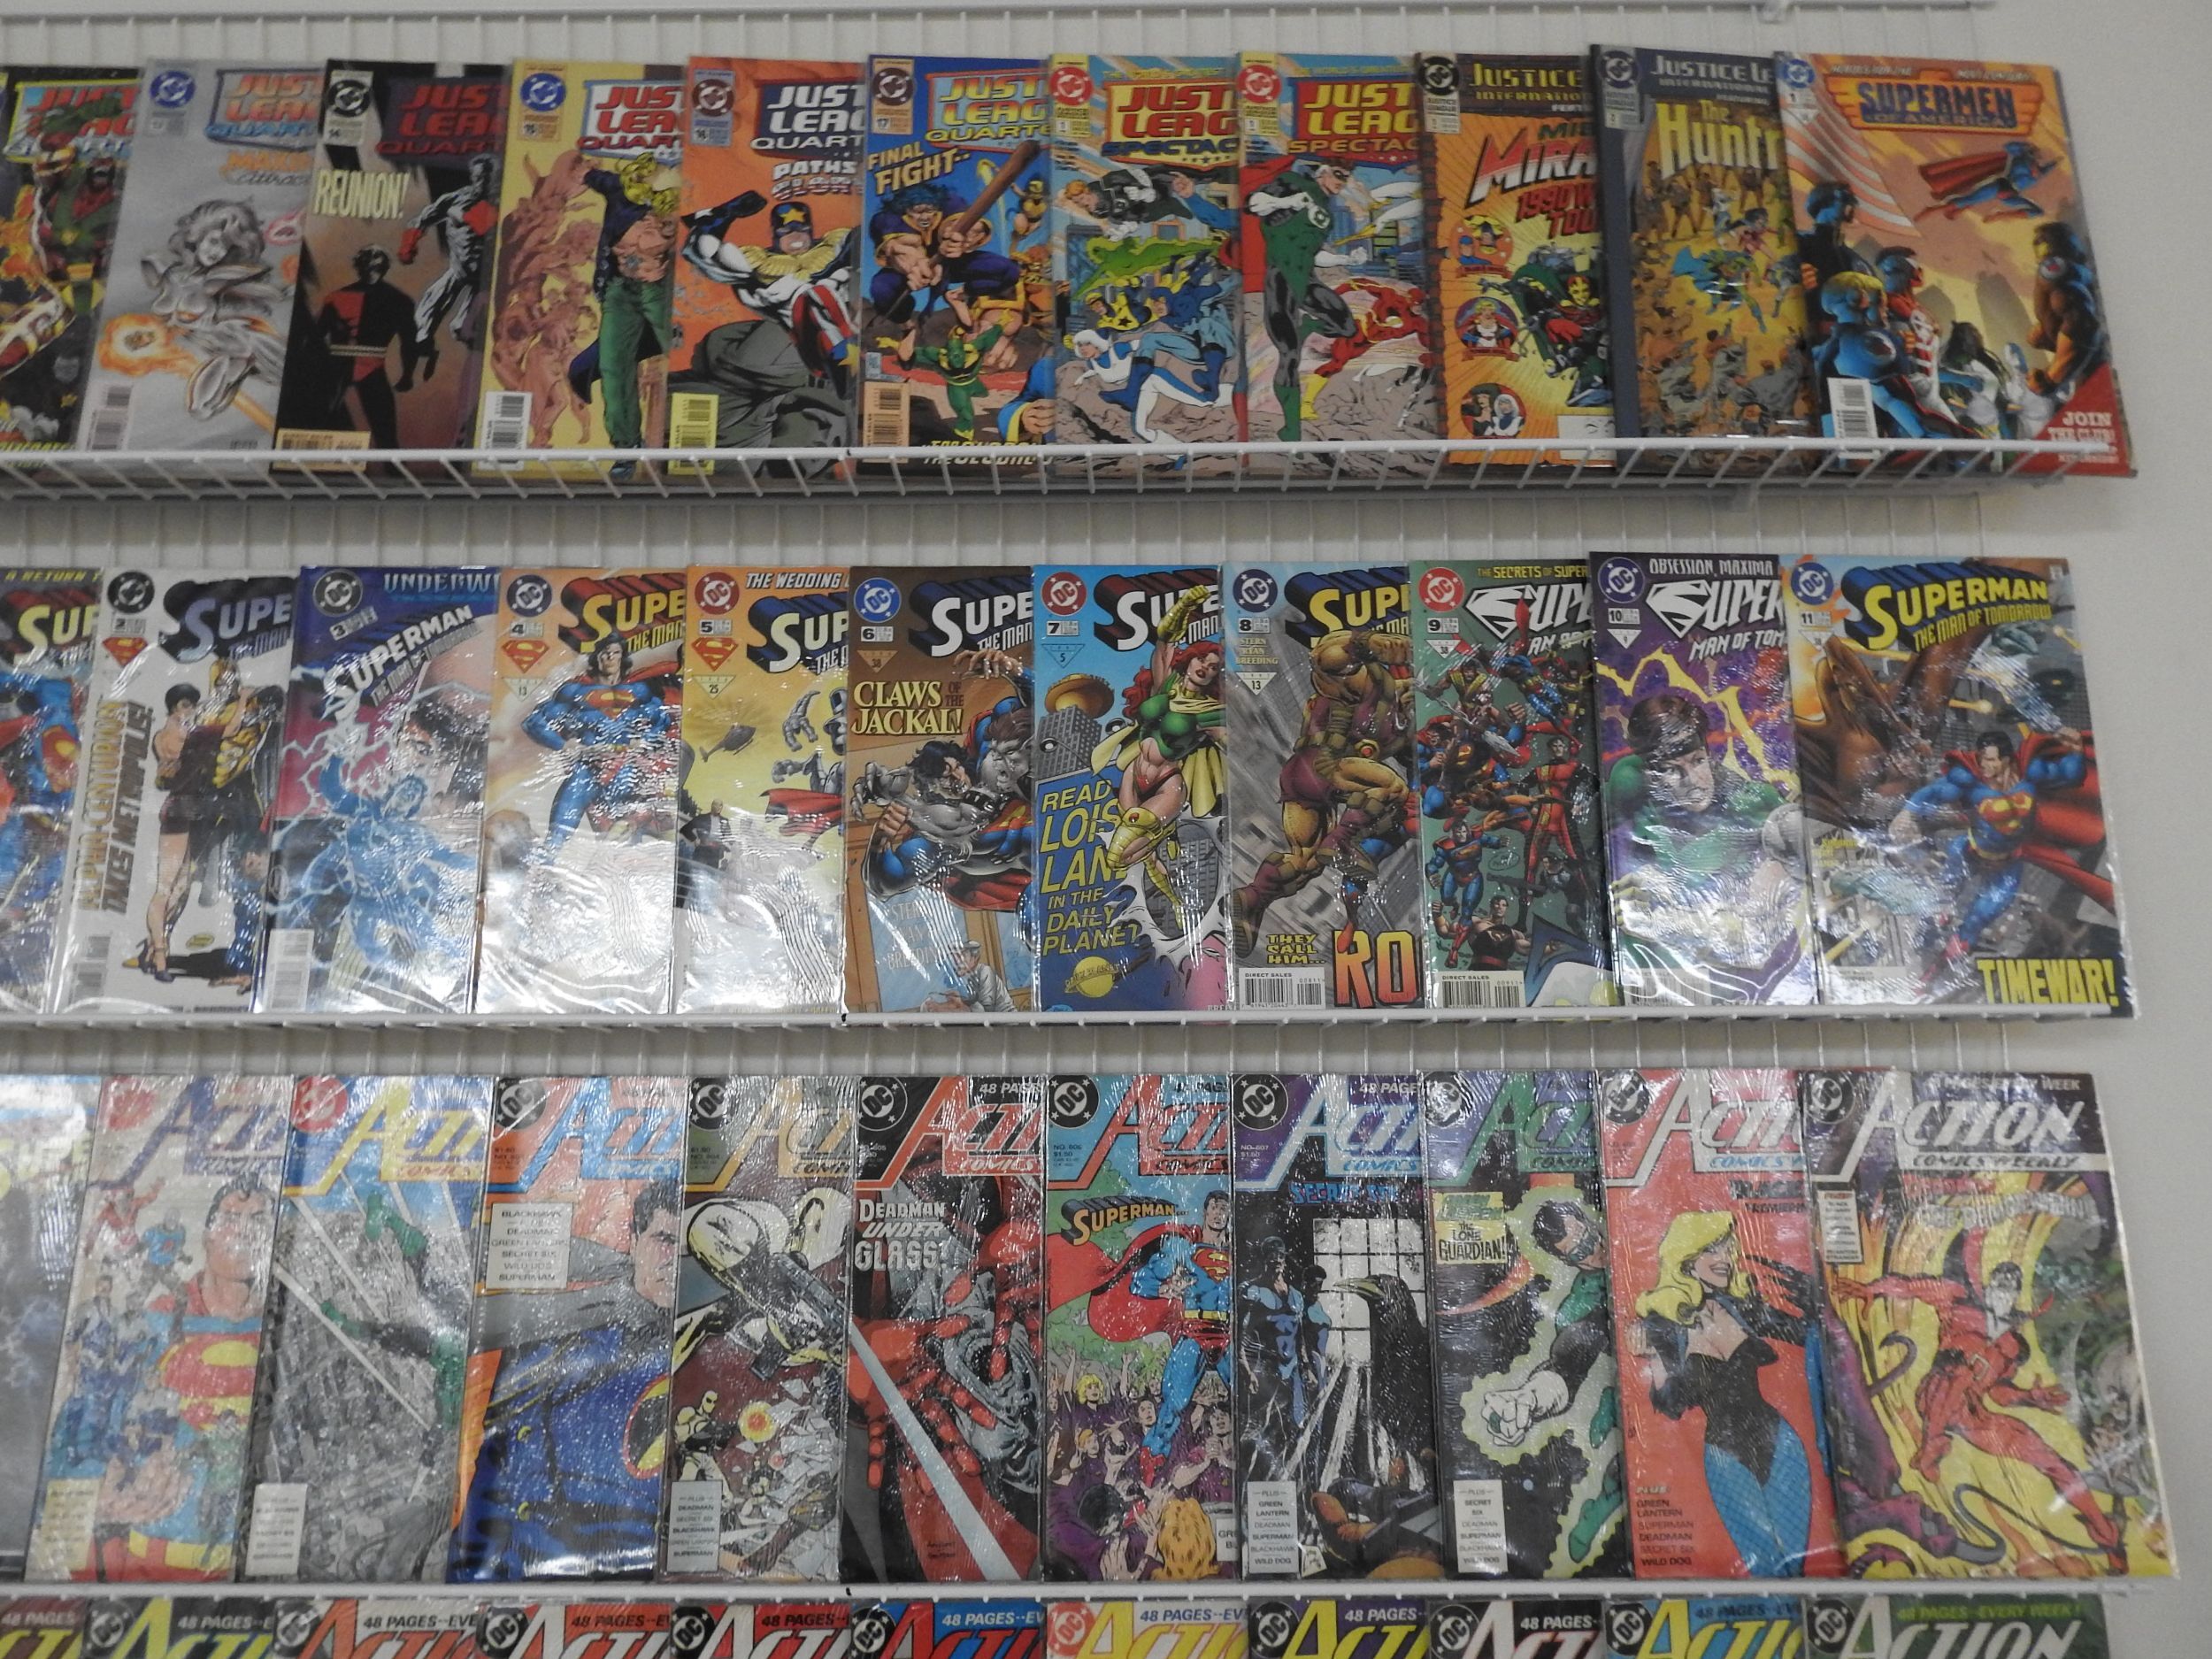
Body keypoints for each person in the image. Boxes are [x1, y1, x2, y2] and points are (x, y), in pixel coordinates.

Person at [1628, 1211, 1821, 1577]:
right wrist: (1651, 1357)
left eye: (1727, 1249)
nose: (1725, 1259)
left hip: (1781, 1443)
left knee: (1797, 1565)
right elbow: (1671, 1404)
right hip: (1724, 1456)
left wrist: (1815, 1296)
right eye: (1712, 1250)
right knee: (1764, 1569)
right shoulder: (1666, 1327)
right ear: (1687, 1261)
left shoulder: (1742, 1307)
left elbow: (1806, 1333)